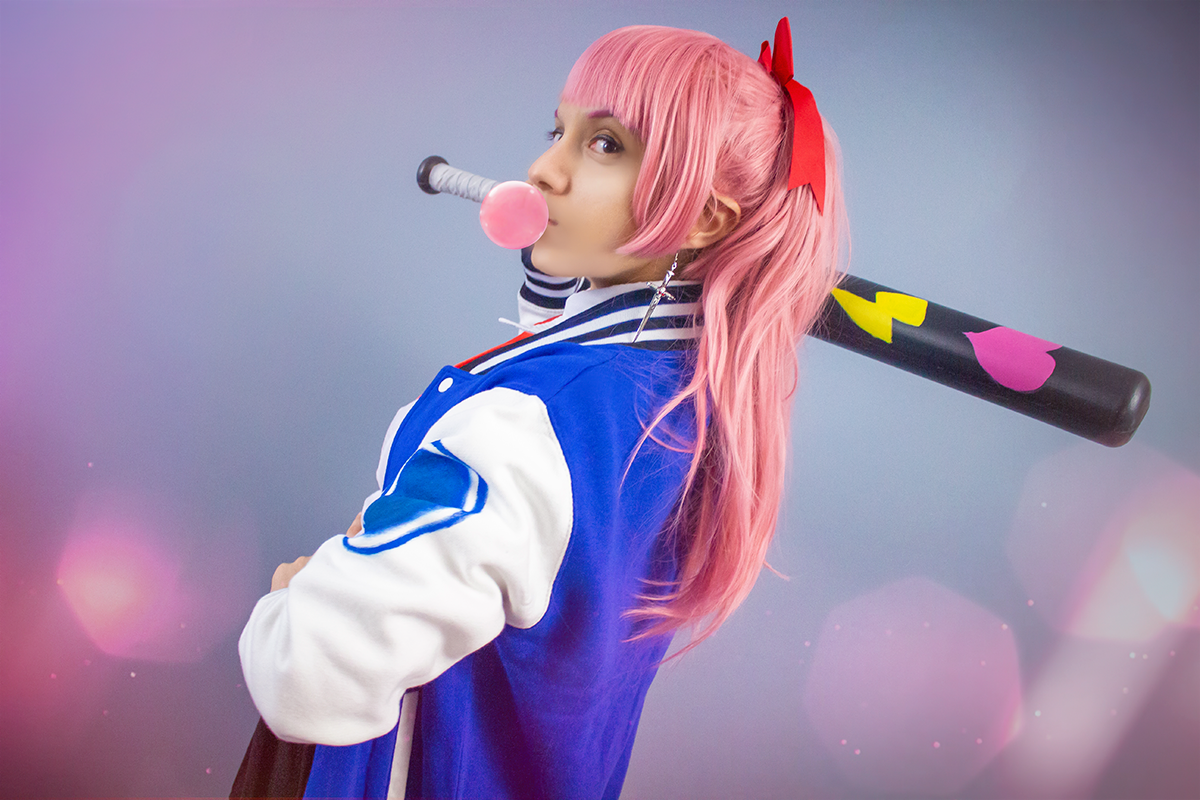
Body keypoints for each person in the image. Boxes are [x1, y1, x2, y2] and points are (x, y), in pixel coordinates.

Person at [233, 18, 845, 800]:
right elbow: (576, 345)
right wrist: (564, 266)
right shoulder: (679, 399)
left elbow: (310, 674)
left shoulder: (527, 424)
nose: (542, 170)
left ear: (704, 219)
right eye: (559, 132)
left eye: (605, 145)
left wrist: (297, 599)